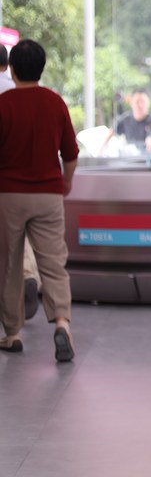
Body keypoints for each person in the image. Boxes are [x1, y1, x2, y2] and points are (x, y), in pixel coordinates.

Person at [0, 40, 78, 362]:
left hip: (8, 195)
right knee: (53, 263)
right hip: (48, 194)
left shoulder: (3, 104)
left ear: (12, 70)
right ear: (42, 68)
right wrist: (66, 182)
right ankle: (61, 323)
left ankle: (13, 333)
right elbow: (70, 152)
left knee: (9, 265)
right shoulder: (55, 102)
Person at [0, 45, 41, 321]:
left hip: (6, 178)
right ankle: (27, 276)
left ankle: (10, 319)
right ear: (8, 66)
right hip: (31, 179)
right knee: (20, 238)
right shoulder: (19, 91)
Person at [104, 90, 151, 155]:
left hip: (147, 158)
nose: (140, 105)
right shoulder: (125, 119)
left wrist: (149, 144)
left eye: (143, 101)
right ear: (131, 103)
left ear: (148, 103)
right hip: (130, 157)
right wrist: (102, 148)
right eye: (137, 102)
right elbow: (112, 131)